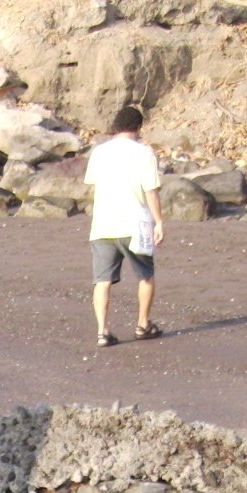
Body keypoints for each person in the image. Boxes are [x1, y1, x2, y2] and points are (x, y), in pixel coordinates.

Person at [83, 104, 165, 347]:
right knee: (146, 275)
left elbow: (94, 187)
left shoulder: (99, 152)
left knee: (102, 279)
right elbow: (151, 191)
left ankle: (102, 331)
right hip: (135, 223)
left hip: (103, 224)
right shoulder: (144, 152)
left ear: (116, 126)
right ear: (138, 127)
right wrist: (159, 222)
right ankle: (142, 323)